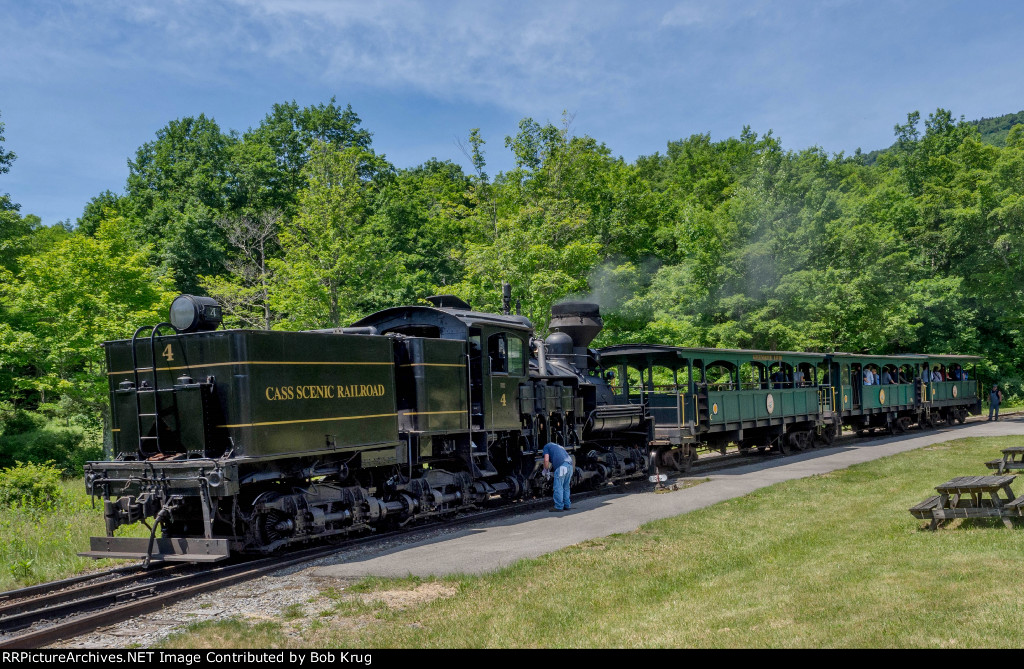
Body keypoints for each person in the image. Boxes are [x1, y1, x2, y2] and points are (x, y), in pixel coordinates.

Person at [542, 441, 573, 511]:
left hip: (561, 467)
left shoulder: (546, 446)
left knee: (558, 487)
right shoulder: (560, 447)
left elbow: (546, 460)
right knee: (566, 487)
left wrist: (546, 470)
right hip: (570, 466)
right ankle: (567, 505)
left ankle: (559, 507)